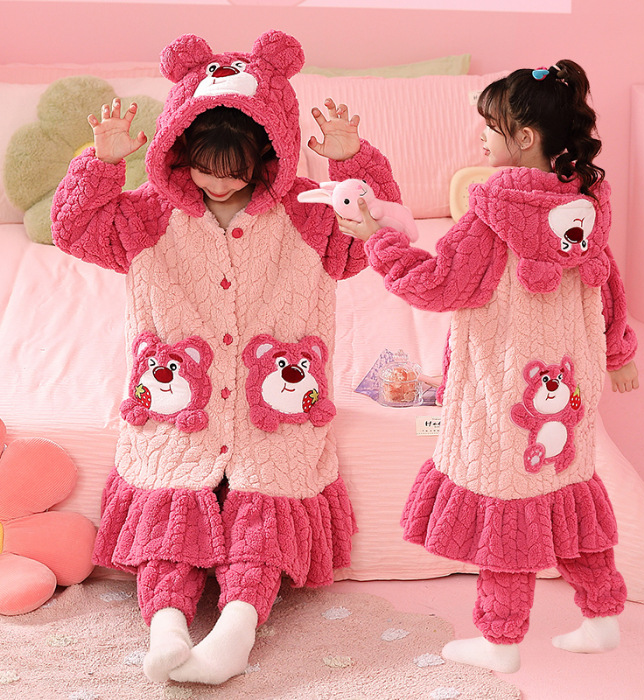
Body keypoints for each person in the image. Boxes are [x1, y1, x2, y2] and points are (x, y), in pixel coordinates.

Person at [51, 31, 403, 685]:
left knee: (262, 514)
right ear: (178, 149)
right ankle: (166, 627)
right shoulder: (149, 214)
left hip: (274, 404)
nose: (218, 183)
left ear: (270, 153)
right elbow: (74, 229)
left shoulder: (308, 214)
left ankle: (237, 630)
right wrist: (101, 164)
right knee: (171, 510)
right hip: (176, 403)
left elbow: (375, 230)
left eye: (235, 170)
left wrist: (353, 164)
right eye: (204, 166)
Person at [338, 60, 639, 674]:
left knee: (508, 510)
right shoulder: (584, 202)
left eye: (490, 127)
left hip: (503, 387)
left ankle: (499, 643)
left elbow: (437, 284)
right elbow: (607, 284)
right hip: (567, 385)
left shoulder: (494, 213)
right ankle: (602, 617)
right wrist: (618, 353)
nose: (480, 136)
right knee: (565, 494)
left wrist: (377, 238)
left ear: (523, 138)